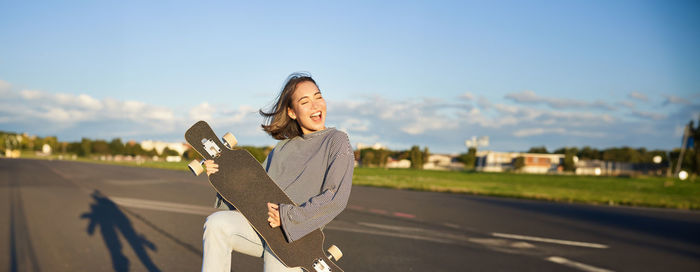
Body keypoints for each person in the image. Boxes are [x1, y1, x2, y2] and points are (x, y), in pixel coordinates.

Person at [201, 73, 354, 272]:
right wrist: (220, 176)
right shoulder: (283, 148)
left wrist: (288, 217)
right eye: (305, 101)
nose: (316, 106)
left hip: (296, 240)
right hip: (261, 226)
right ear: (292, 112)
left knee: (278, 259)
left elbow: (335, 198)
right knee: (216, 224)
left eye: (318, 97)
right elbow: (250, 193)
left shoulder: (337, 140)